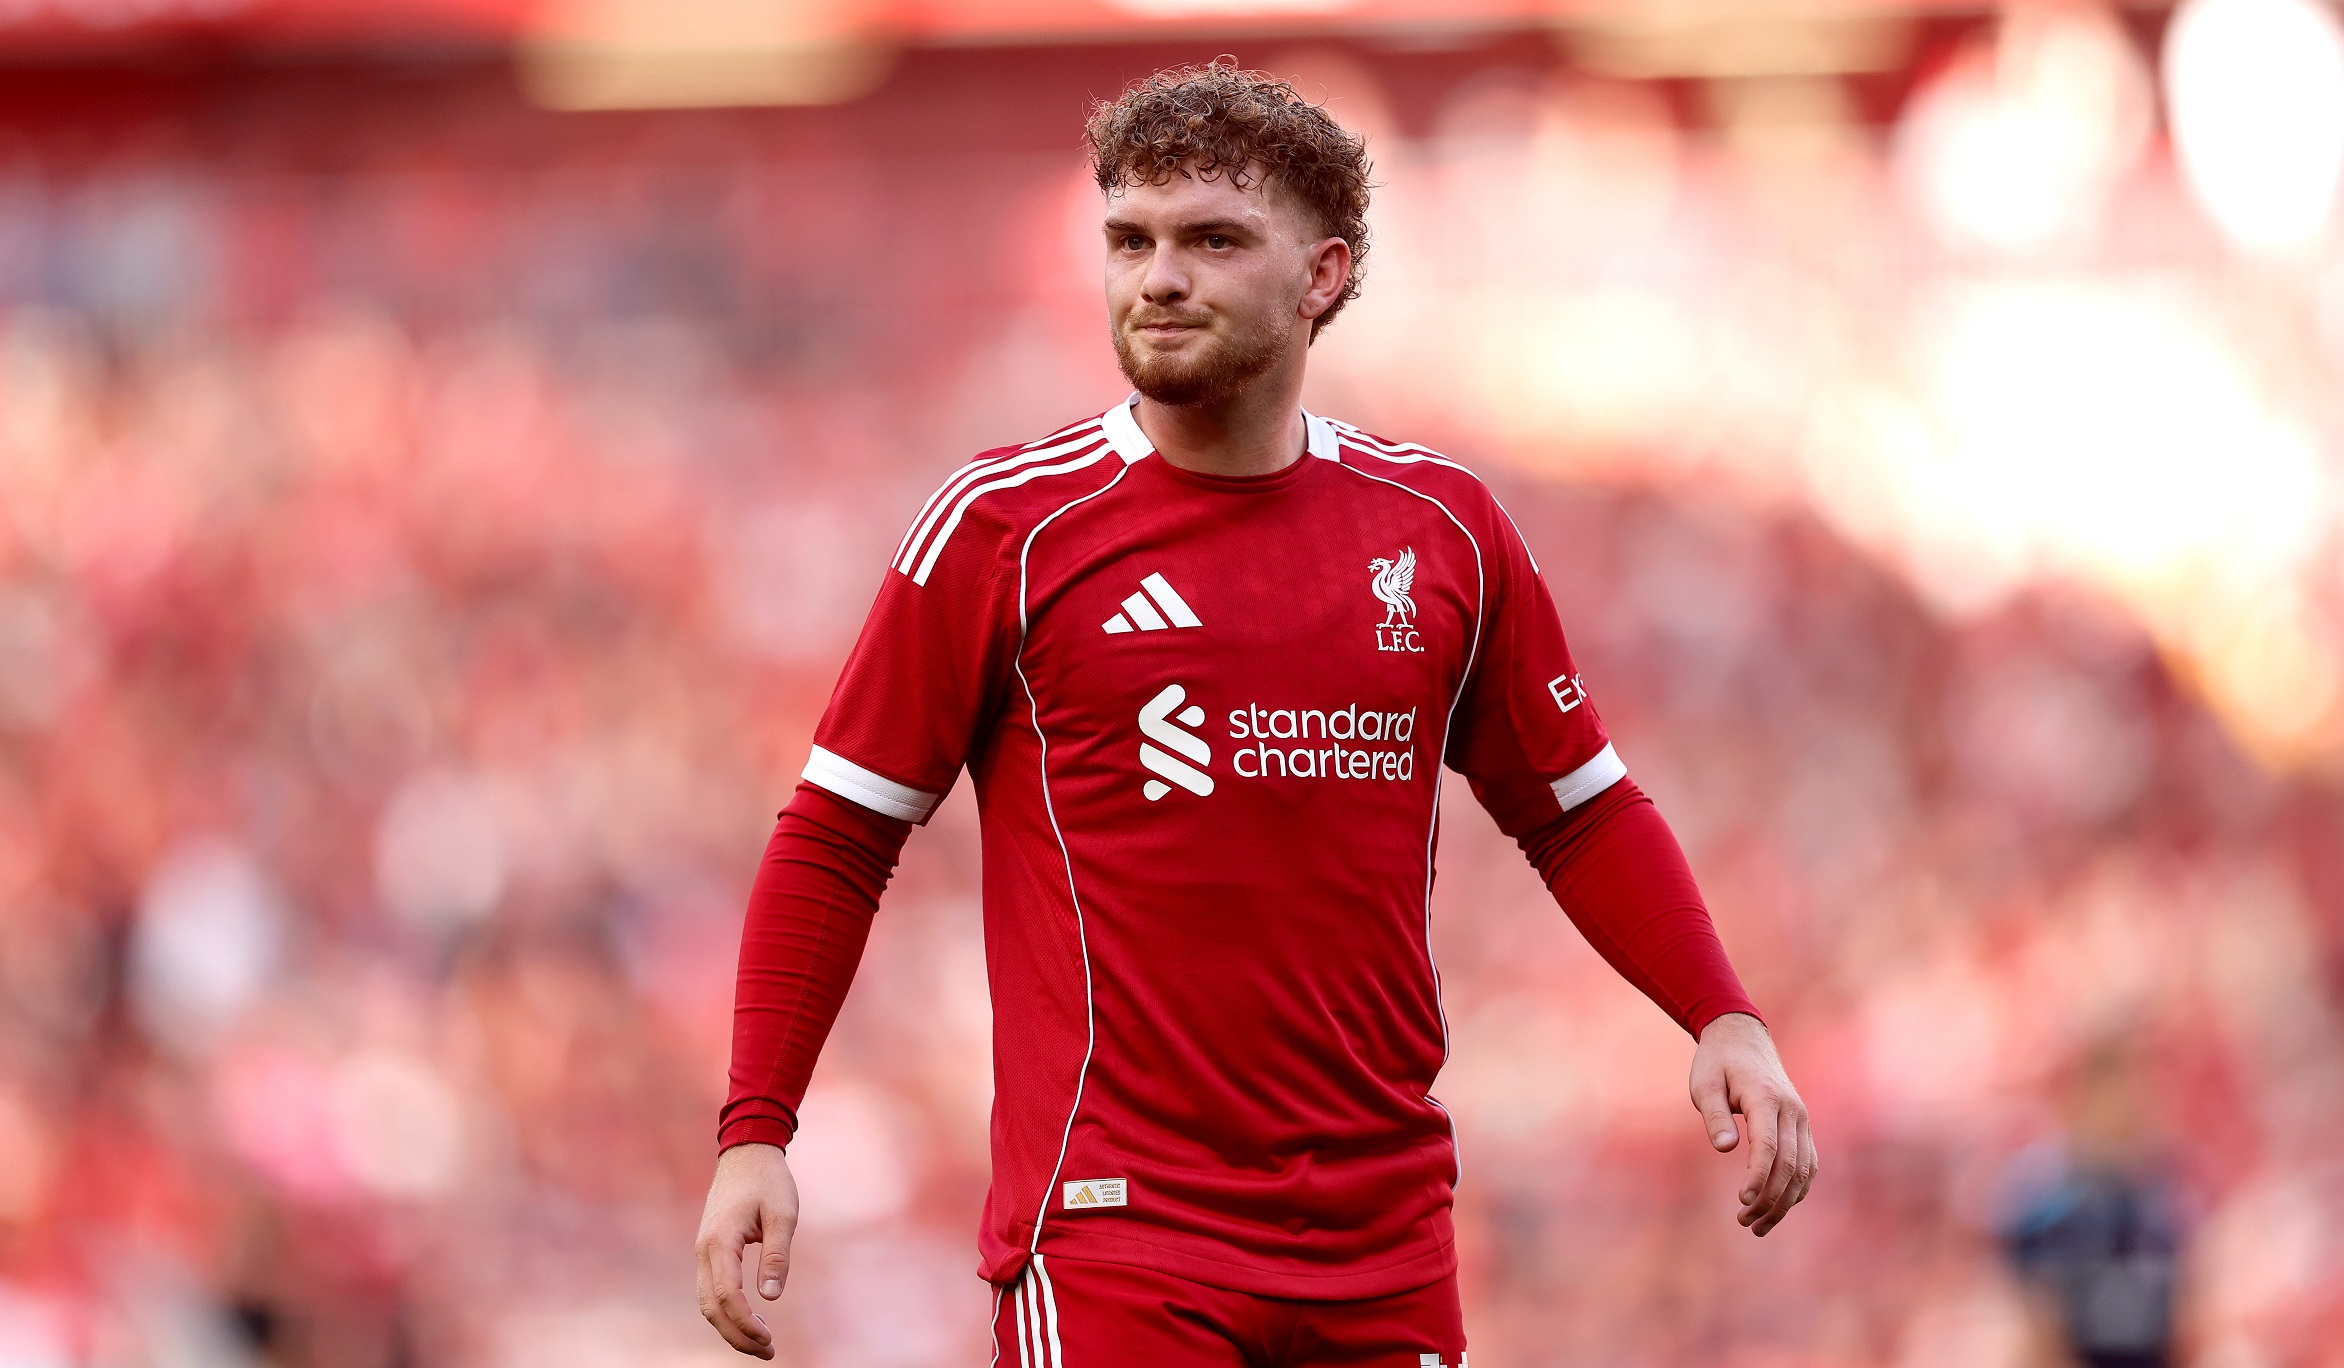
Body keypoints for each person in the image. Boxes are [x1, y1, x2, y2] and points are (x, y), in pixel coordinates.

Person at [695, 58, 1817, 1366]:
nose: (1158, 276)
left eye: (1212, 240)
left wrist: (1720, 1015)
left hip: (1385, 1244)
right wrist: (757, 1131)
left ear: (1324, 275)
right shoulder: (1003, 527)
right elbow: (837, 836)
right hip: (1119, 1238)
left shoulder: (1444, 532)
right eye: (1132, 240)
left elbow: (1578, 811)